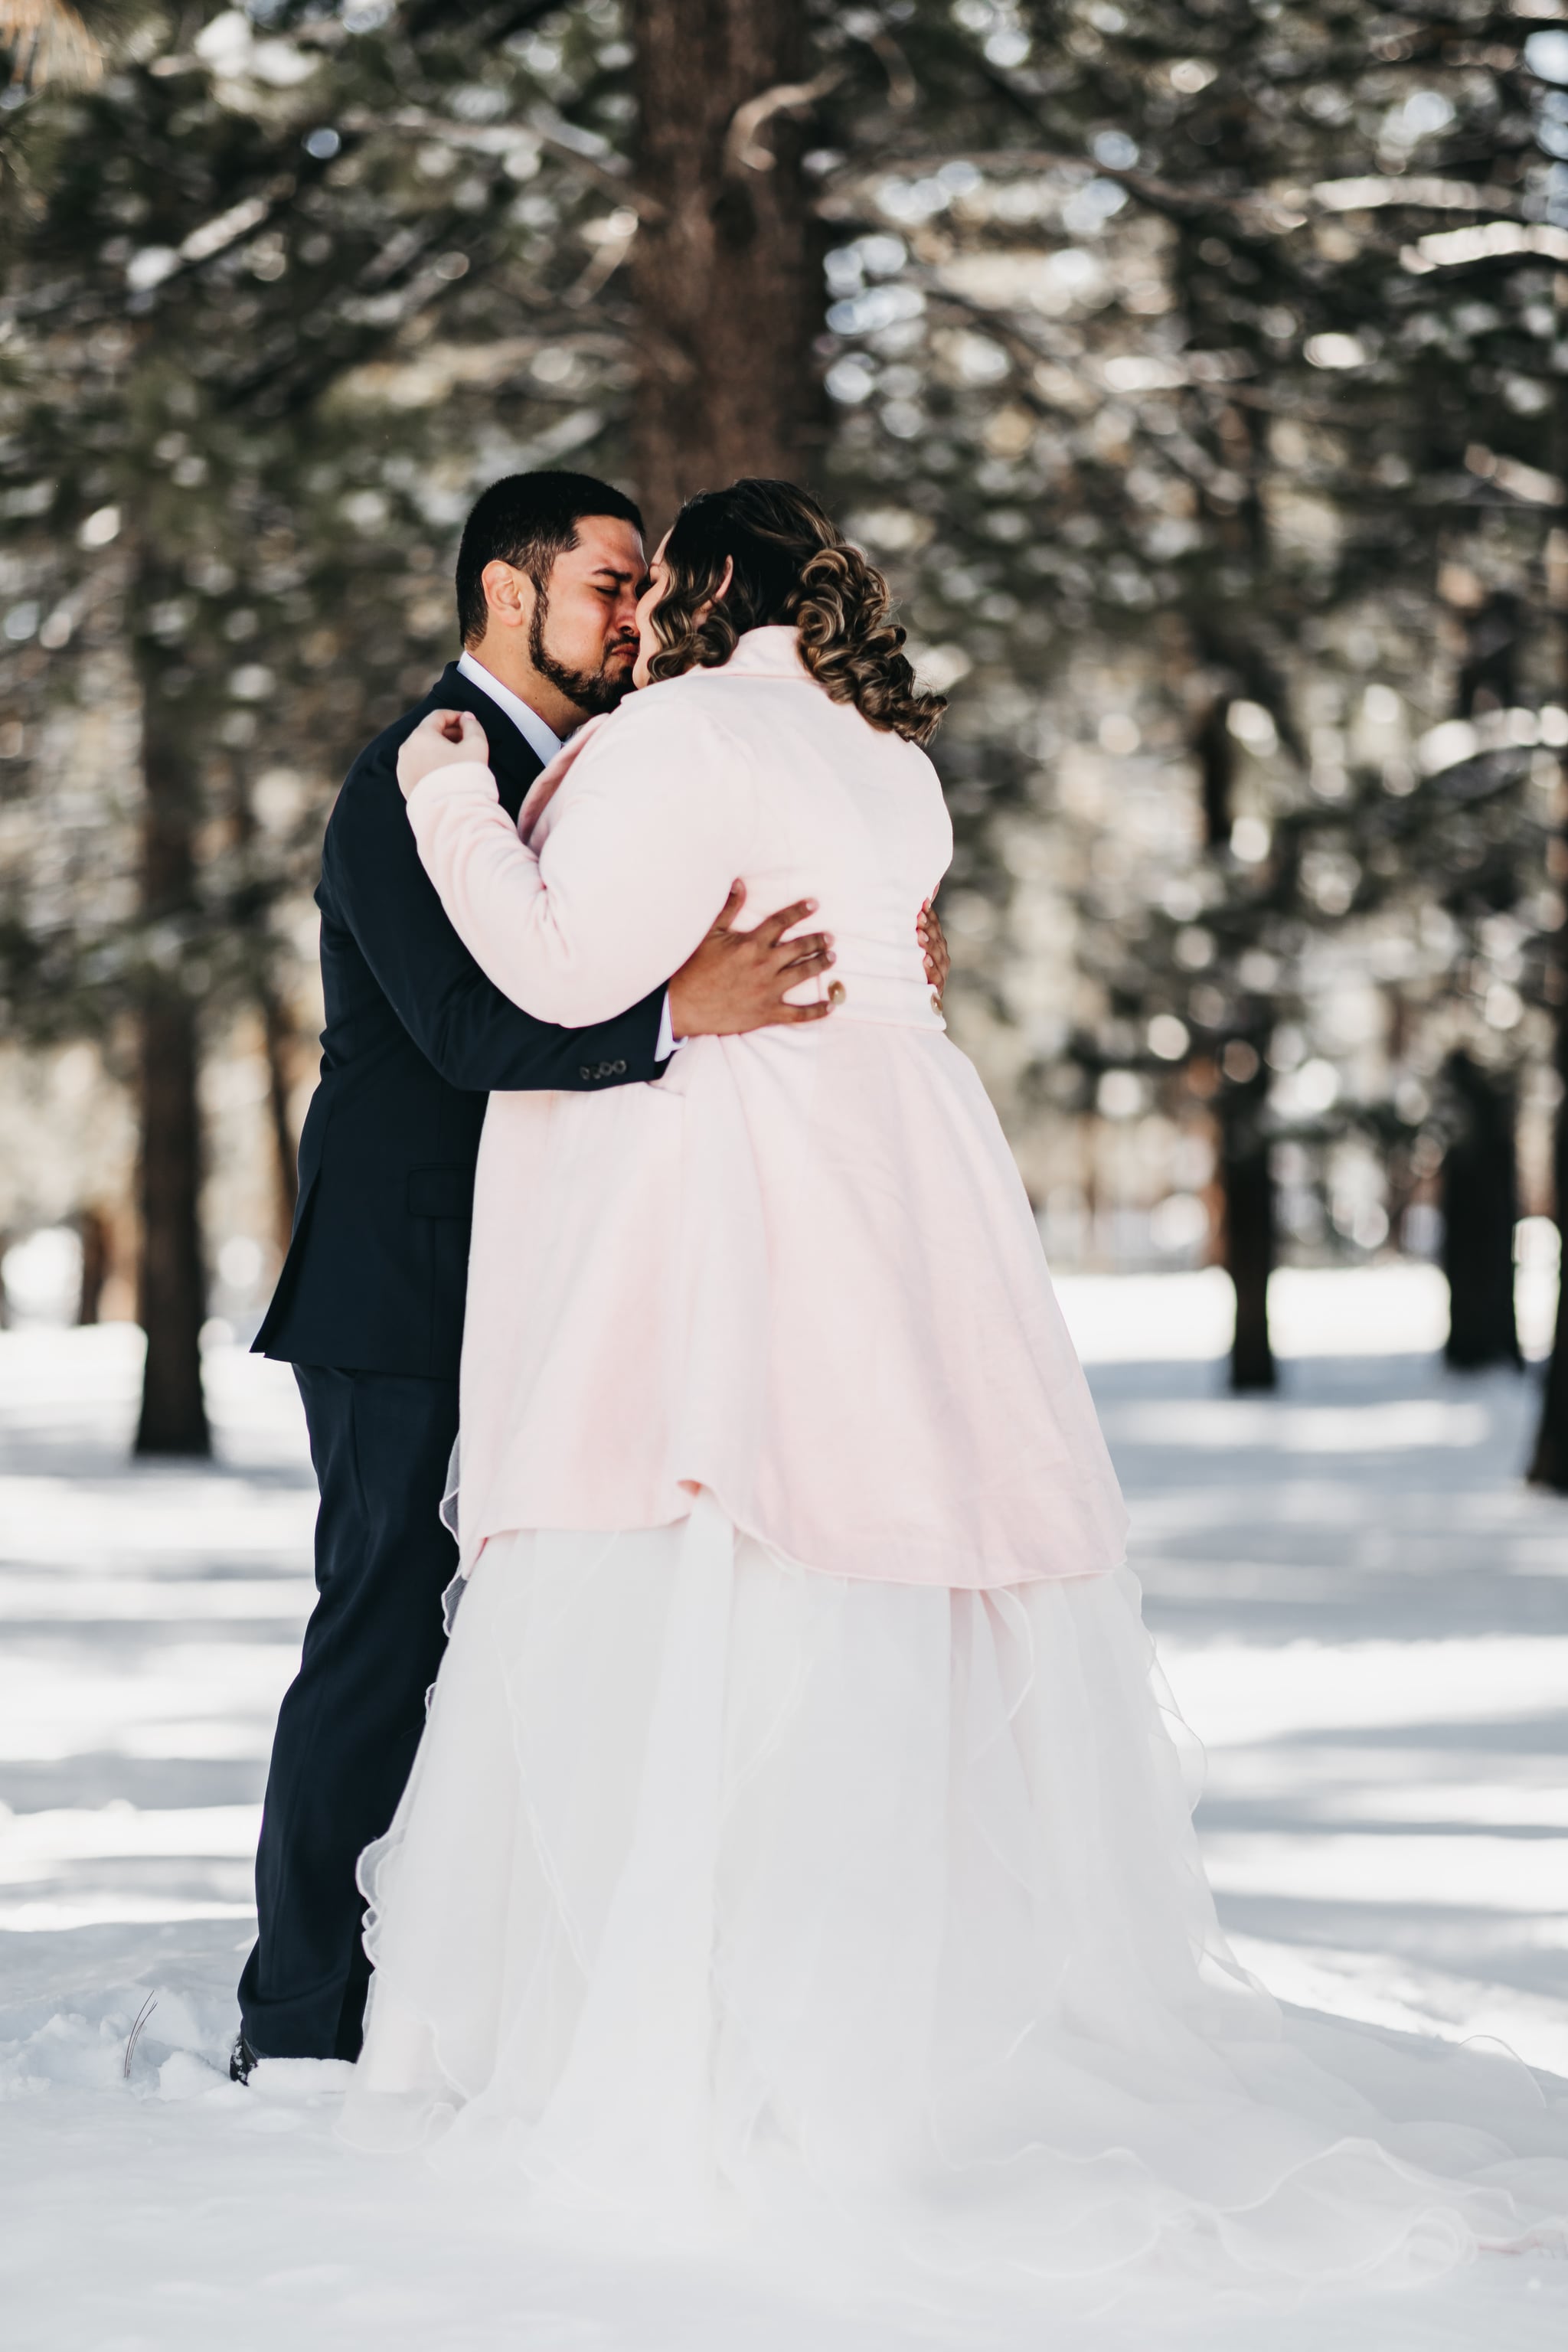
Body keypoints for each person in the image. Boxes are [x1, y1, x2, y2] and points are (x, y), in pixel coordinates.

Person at [341, 480, 1566, 2308]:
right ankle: (898, 2002)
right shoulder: (888, 766)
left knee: (695, 1566)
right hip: (899, 1220)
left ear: (705, 588)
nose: (641, 607)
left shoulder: (682, 734)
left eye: (656, 576)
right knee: (852, 1579)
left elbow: (561, 968)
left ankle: (677, 2024)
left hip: (728, 1229)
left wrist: (449, 796)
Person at [236, 469, 951, 2076]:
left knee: (532, 1644)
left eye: (649, 587)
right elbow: (473, 1032)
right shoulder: (413, 777)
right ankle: (296, 2013)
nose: (641, 615)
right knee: (383, 1633)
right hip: (409, 1285)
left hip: (575, 1280)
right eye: (609, 585)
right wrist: (679, 1015)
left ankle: (475, 1980)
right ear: (508, 590)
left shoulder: (634, 761)